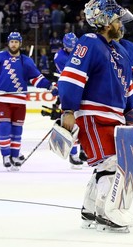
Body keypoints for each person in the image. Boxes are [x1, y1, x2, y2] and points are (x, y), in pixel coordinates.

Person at [57, 0, 133, 232]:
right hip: (92, 114)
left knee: (107, 163)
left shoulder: (121, 52)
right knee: (112, 163)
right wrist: (69, 110)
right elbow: (71, 76)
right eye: (117, 20)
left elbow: (128, 88)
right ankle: (107, 212)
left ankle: (90, 209)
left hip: (114, 117)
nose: (120, 25)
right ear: (105, 21)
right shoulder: (89, 42)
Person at [0, 32, 58, 171]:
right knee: (4, 127)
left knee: (17, 130)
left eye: (16, 42)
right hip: (2, 99)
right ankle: (6, 155)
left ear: (20, 43)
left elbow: (37, 79)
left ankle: (15, 156)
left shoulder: (26, 61)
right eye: (12, 42)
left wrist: (50, 86)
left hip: (19, 100)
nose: (14, 44)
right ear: (8, 43)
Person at [53, 32, 84, 168]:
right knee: (71, 124)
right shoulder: (60, 57)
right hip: (69, 90)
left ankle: (85, 150)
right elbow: (70, 75)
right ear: (65, 46)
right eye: (70, 48)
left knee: (84, 122)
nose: (73, 50)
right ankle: (73, 154)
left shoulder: (80, 51)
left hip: (82, 90)